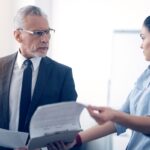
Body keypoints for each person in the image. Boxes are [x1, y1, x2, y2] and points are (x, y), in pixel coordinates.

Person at [0, 5, 78, 150]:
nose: (45, 39)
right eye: (37, 33)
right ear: (18, 36)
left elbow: (69, 128)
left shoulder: (62, 75)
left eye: (47, 32)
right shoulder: (1, 68)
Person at [67, 16, 150, 150]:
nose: (140, 45)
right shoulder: (144, 76)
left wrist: (116, 115)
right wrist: (77, 139)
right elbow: (119, 120)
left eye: (143, 37)